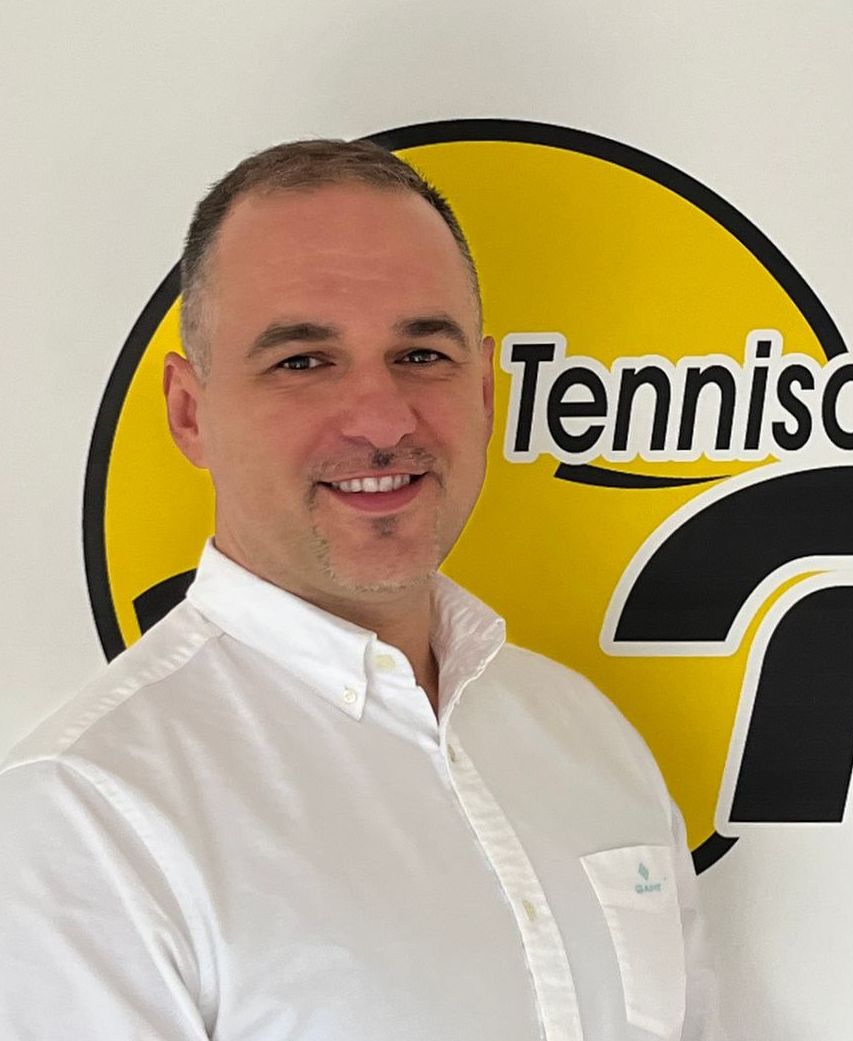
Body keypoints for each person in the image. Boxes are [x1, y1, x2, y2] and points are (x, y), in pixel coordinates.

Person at [0, 139, 724, 1040]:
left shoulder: (587, 738)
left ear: (485, 391)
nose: (382, 420)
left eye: (421, 353)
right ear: (189, 411)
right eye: (303, 361)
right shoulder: (86, 816)